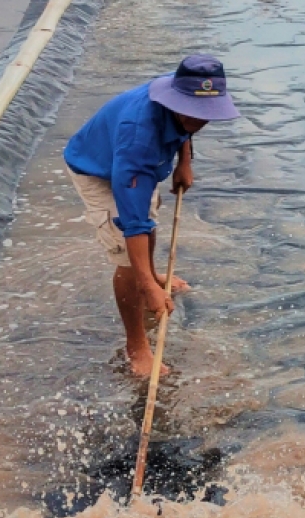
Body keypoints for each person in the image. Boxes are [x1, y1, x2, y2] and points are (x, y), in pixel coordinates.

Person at [64, 55, 240, 377]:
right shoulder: (138, 141)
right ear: (175, 103)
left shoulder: (184, 93)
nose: (201, 120)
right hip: (97, 168)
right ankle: (137, 346)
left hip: (135, 162)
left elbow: (187, 126)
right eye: (194, 113)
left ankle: (152, 277)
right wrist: (145, 285)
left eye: (207, 113)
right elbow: (132, 226)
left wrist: (184, 162)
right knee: (129, 259)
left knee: (149, 223)